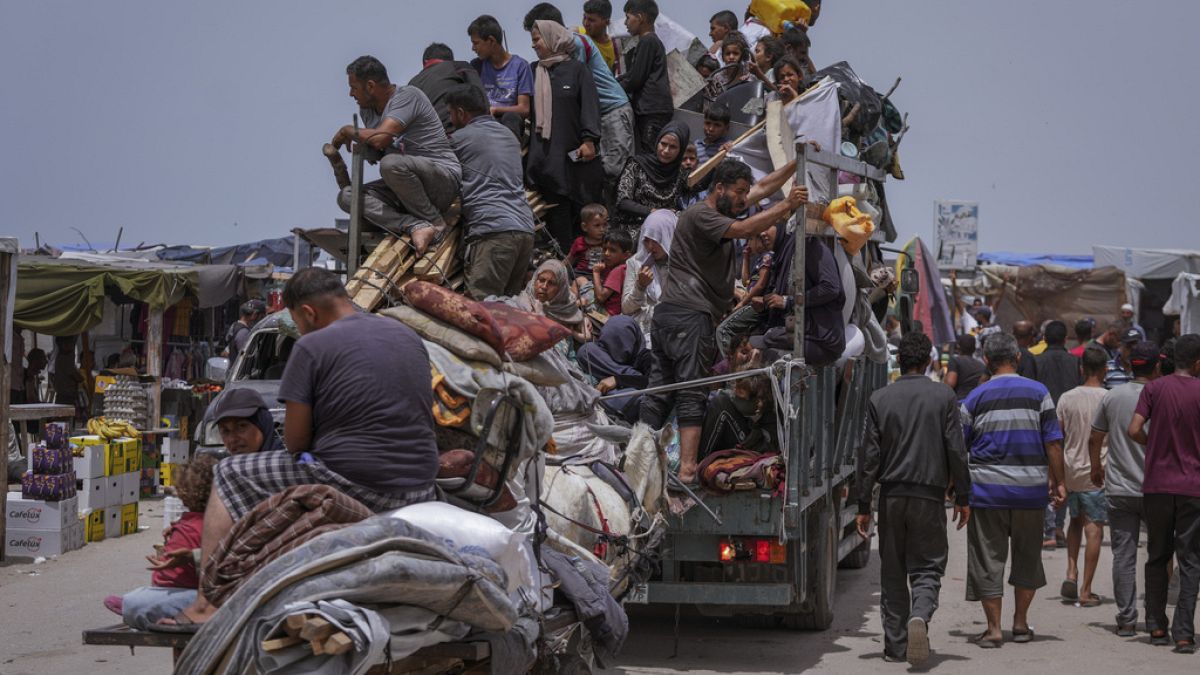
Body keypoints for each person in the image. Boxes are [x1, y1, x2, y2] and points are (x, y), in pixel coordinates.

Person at [153, 269, 438, 631]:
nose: (299, 332)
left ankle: (207, 603)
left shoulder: (311, 347)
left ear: (308, 313)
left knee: (229, 472)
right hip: (420, 485)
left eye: (298, 324)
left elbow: (296, 442)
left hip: (358, 483)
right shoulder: (407, 336)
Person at [639, 159, 807, 485]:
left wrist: (793, 164)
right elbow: (745, 229)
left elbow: (762, 188)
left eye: (745, 192)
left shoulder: (724, 206)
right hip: (688, 316)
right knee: (690, 391)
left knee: (660, 391)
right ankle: (687, 470)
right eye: (739, 192)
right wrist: (787, 204)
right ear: (719, 189)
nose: (744, 199)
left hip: (672, 315)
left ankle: (640, 462)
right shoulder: (702, 215)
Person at [856, 331, 972, 665]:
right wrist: (963, 496)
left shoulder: (880, 398)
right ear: (929, 360)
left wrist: (863, 505)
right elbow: (956, 449)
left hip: (892, 496)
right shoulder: (943, 396)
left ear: (900, 361)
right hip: (929, 497)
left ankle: (895, 648)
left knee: (893, 572)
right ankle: (919, 614)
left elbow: (869, 457)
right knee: (927, 567)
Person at [960, 332, 1066, 648]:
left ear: (986, 360)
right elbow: (1053, 443)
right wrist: (1059, 481)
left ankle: (993, 629)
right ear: (1018, 358)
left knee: (987, 559)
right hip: (1030, 492)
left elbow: (960, 445)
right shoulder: (1039, 393)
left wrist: (956, 488)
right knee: (1028, 557)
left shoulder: (975, 397)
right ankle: (1020, 624)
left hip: (987, 492)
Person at [331, 56, 462, 255]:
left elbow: (381, 138)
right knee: (347, 197)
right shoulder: (368, 111)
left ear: (370, 86)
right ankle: (414, 224)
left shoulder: (407, 96)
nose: (351, 94)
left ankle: (435, 224)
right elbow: (379, 148)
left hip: (441, 181)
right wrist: (365, 148)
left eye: (354, 88)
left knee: (391, 164)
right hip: (405, 188)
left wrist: (348, 131)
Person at [1128, 333, 1200, 653]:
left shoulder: (1153, 389)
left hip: (1156, 485)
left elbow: (1133, 429)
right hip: (1193, 487)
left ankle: (1156, 625)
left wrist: (1154, 444)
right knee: (1190, 560)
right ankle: (1183, 633)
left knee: (1157, 555)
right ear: (1197, 363)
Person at [1090, 340, 1160, 637]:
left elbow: (1095, 437)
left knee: (1124, 555)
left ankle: (1127, 619)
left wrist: (1096, 467)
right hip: (1157, 488)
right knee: (1159, 555)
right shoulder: (1163, 395)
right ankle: (1156, 619)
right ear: (1157, 366)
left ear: (1130, 365)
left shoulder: (1113, 396)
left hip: (1120, 488)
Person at [523, 4, 634, 183]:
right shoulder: (554, 54)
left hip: (612, 109)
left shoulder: (573, 44)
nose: (533, 44)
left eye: (538, 36)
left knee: (616, 168)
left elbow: (576, 85)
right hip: (597, 114)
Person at [444, 84, 536, 300]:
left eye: (451, 113)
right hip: (524, 230)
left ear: (461, 112)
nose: (450, 119)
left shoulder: (459, 139)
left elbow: (438, 172)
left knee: (481, 307)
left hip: (492, 232)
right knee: (508, 307)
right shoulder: (509, 136)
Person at [106, 455, 218, 630]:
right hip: (180, 590)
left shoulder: (206, 525)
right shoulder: (197, 521)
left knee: (137, 600)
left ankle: (134, 608)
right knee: (148, 595)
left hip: (189, 593)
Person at [526, 19, 605, 256]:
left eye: (537, 39)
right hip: (546, 160)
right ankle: (566, 268)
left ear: (553, 39)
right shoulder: (533, 71)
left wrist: (589, 139)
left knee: (581, 217)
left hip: (575, 159)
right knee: (558, 224)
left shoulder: (577, 70)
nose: (534, 45)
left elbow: (590, 106)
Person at [1056, 347, 1110, 607]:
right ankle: (1086, 591)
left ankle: (1071, 571)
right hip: (1097, 472)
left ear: (1082, 369)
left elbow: (1056, 438)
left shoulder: (1066, 398)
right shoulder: (1108, 398)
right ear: (1105, 370)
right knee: (1094, 529)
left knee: (1075, 521)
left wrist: (1055, 476)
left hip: (1071, 470)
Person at [612, 122, 691, 234]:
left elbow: (700, 183)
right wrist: (655, 213)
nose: (666, 151)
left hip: (664, 229)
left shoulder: (680, 172)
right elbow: (622, 202)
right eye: (663, 144)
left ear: (681, 150)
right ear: (657, 142)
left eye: (673, 147)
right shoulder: (636, 165)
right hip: (633, 226)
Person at [468, 15, 534, 141]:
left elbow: (524, 109)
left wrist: (496, 110)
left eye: (476, 43)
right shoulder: (477, 66)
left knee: (510, 117)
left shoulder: (520, 66)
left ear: (491, 41)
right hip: (485, 125)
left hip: (510, 125)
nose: (473, 48)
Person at [619, 0, 673, 153]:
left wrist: (612, 88)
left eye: (628, 17)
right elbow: (633, 74)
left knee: (650, 153)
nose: (625, 23)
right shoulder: (650, 41)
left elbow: (635, 79)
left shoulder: (648, 41)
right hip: (651, 109)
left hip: (652, 111)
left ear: (640, 17)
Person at [576, 315, 652, 422]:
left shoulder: (648, 358)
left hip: (637, 397)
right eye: (611, 342)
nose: (616, 346)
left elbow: (655, 382)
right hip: (612, 395)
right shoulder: (604, 354)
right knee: (586, 351)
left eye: (621, 341)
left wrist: (617, 380)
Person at [622, 209, 675, 342]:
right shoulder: (636, 263)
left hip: (673, 326)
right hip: (643, 328)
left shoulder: (682, 264)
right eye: (646, 240)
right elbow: (626, 308)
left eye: (656, 240)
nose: (650, 246)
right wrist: (640, 286)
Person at [407, 43, 486, 132]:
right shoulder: (457, 66)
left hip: (422, 138)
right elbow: (480, 97)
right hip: (454, 132)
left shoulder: (411, 84)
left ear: (425, 62)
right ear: (450, 60)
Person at [519, 260, 591, 345]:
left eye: (551, 283)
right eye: (541, 280)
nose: (544, 286)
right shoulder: (524, 300)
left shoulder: (566, 306)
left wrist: (573, 329)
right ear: (535, 279)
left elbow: (586, 337)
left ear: (560, 288)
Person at [592, 229, 634, 317]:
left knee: (580, 281)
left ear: (626, 255)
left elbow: (600, 297)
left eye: (612, 250)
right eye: (604, 249)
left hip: (607, 314)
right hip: (611, 313)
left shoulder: (618, 270)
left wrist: (596, 273)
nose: (606, 253)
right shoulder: (617, 267)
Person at [566, 204, 609, 279]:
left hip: (601, 275)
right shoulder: (579, 242)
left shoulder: (607, 241)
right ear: (585, 227)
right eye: (597, 225)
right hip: (581, 274)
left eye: (604, 225)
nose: (602, 229)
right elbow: (569, 260)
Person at [580, 0, 619, 73]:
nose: (586, 23)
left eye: (591, 20)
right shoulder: (579, 35)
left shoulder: (613, 47)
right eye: (584, 17)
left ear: (607, 22)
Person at [945, 333, 986, 401]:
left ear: (958, 347)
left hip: (959, 402)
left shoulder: (955, 361)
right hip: (976, 402)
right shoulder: (982, 365)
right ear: (974, 349)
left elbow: (950, 384)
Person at [223, 300, 264, 365]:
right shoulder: (244, 332)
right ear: (254, 315)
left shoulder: (235, 326)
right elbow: (246, 358)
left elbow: (226, 352)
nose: (261, 319)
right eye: (261, 316)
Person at [51, 335, 82, 407]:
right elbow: (71, 372)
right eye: (68, 343)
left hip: (66, 392)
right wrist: (81, 379)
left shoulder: (67, 355)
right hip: (65, 393)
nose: (71, 345)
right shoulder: (64, 358)